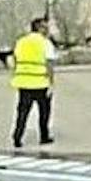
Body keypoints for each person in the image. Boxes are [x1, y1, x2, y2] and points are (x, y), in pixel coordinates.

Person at [9, 20, 56, 149]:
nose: (47, 30)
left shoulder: (21, 42)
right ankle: (44, 136)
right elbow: (49, 64)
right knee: (44, 112)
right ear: (40, 28)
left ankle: (17, 137)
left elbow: (15, 59)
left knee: (22, 112)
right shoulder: (45, 43)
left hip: (23, 82)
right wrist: (51, 83)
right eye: (45, 28)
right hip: (40, 82)